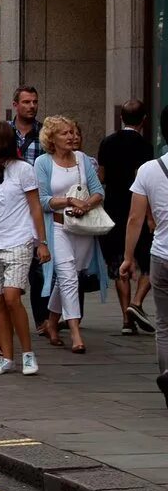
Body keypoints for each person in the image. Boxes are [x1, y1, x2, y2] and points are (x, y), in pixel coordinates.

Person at [0, 120, 49, 377]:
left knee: (13, 297)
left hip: (19, 241)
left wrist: (42, 243)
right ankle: (6, 357)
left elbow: (36, 207)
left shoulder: (24, 170)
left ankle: (28, 354)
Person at [33, 116, 106, 355]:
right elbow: (42, 200)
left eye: (73, 132)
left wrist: (86, 204)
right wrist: (68, 200)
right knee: (67, 277)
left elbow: (98, 191)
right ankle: (75, 333)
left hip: (82, 229)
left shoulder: (82, 159)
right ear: (51, 138)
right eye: (65, 133)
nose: (71, 137)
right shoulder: (43, 163)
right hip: (57, 228)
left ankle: (51, 322)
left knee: (71, 276)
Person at [116, 145, 168, 411]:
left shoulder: (149, 170)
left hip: (162, 256)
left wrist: (127, 257)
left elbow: (135, 219)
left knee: (164, 324)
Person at [96, 100, 154, 335]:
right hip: (137, 207)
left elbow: (101, 175)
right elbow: (144, 181)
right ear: (144, 120)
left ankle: (126, 320)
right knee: (149, 263)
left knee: (120, 263)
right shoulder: (145, 146)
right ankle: (137, 302)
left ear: (121, 118)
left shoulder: (107, 142)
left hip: (113, 208)